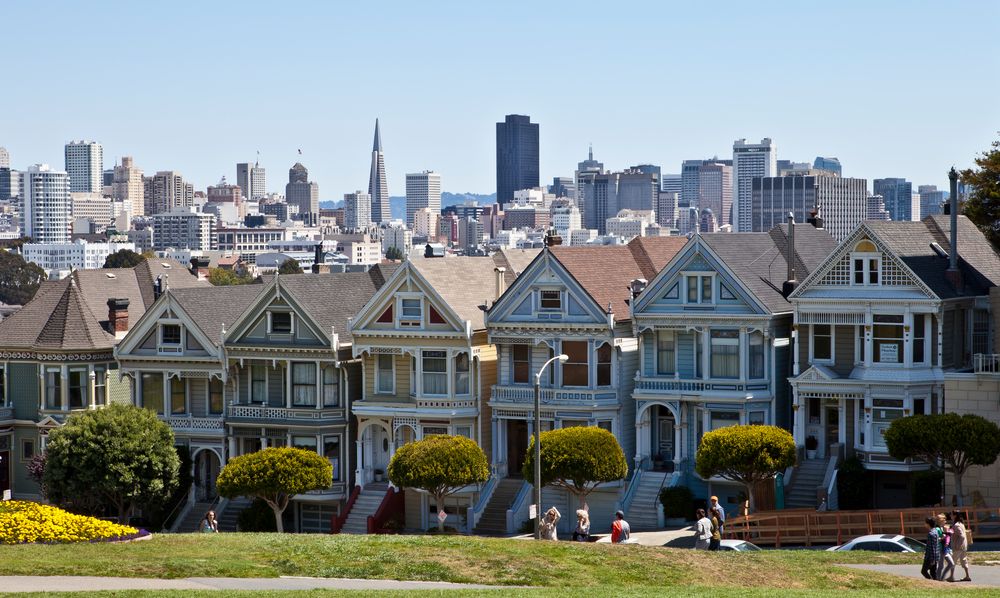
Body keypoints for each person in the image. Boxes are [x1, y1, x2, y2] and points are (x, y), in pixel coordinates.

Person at [950, 510, 972, 582]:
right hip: (963, 546)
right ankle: (967, 576)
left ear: (955, 516)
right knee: (964, 560)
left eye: (951, 514)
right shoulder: (961, 524)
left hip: (958, 547)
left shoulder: (956, 525)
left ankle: (951, 577)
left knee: (953, 561)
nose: (950, 516)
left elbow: (961, 536)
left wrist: (957, 544)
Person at [937, 513, 955, 581]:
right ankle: (939, 579)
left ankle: (942, 578)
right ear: (940, 521)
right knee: (941, 566)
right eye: (944, 520)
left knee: (951, 563)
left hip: (945, 549)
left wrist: (949, 533)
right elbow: (937, 538)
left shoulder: (943, 527)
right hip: (941, 549)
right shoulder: (937, 529)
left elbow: (948, 534)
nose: (945, 521)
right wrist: (942, 538)